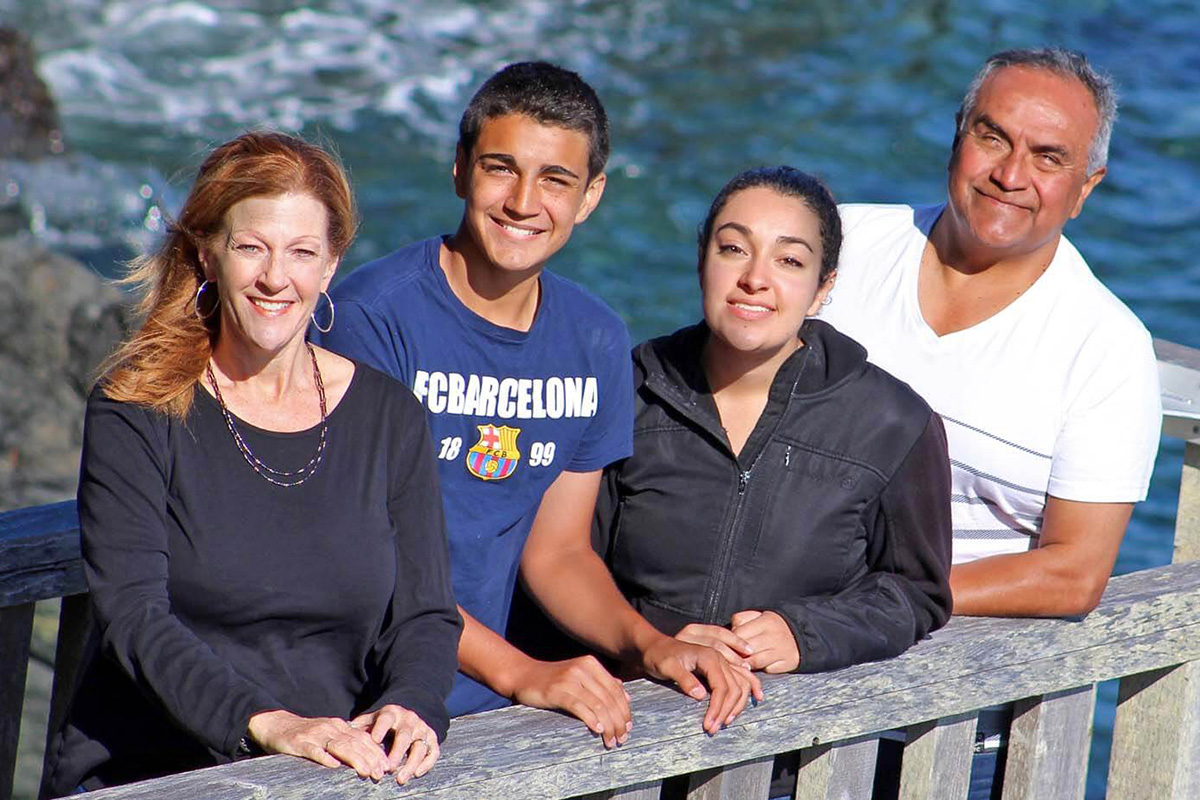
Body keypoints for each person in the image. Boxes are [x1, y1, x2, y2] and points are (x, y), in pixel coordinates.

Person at [316, 61, 759, 749]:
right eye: (501, 168)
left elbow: (557, 552)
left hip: (476, 711)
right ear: (459, 169)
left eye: (556, 179)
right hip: (346, 704)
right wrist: (525, 672)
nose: (525, 202)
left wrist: (651, 646)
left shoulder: (593, 338)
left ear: (590, 197)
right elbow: (362, 558)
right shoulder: (369, 321)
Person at [42, 131, 462, 796]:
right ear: (208, 254)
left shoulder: (389, 416)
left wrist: (413, 703)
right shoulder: (138, 406)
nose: (275, 277)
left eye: (301, 252)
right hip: (151, 772)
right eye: (252, 248)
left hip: (330, 773)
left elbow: (426, 615)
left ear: (330, 267)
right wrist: (267, 724)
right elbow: (134, 616)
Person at [818, 48, 1161, 798]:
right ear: (957, 137)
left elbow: (1075, 573)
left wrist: (876, 602)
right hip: (767, 687)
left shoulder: (1106, 347)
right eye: (993, 136)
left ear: (1084, 190)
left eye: (1048, 157)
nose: (1011, 173)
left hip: (950, 734)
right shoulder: (836, 246)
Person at [595, 164, 952, 694]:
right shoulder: (627, 391)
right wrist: (657, 637)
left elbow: (915, 593)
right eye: (734, 249)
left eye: (789, 260)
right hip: (623, 733)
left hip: (796, 759)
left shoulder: (894, 422)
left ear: (822, 288)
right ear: (702, 262)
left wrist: (802, 633)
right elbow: (563, 568)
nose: (755, 278)